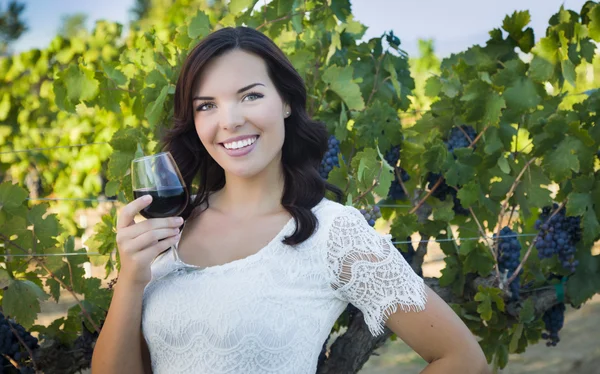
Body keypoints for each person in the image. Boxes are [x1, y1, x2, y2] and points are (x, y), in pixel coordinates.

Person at [91, 26, 489, 374]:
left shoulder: (334, 233)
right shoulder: (170, 227)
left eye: (249, 96)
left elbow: (463, 360)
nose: (229, 120)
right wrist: (130, 279)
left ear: (284, 101)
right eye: (207, 105)